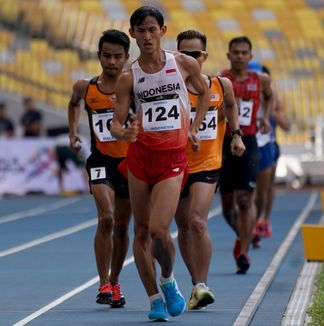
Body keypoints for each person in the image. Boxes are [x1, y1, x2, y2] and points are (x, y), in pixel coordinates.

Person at [110, 6, 210, 321]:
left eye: (153, 29)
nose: (148, 36)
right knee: (140, 230)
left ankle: (167, 278)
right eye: (141, 31)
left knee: (158, 230)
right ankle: (154, 298)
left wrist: (194, 128)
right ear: (133, 34)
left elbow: (205, 93)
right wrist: (123, 131)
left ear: (163, 31)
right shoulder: (128, 77)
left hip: (172, 159)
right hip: (140, 158)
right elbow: (115, 122)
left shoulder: (183, 63)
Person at [174, 30, 245, 310]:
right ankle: (194, 283)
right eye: (184, 54)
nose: (190, 59)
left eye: (195, 54)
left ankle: (203, 284)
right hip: (175, 165)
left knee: (197, 221)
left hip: (208, 163)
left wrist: (236, 135)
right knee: (182, 227)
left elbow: (231, 105)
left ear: (204, 56)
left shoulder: (220, 84)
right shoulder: (169, 87)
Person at [67, 29, 132, 308]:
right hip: (100, 159)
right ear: (99, 56)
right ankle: (103, 281)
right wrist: (72, 132)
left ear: (127, 58)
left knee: (121, 226)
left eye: (118, 57)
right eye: (107, 55)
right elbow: (73, 104)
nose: (112, 62)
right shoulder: (86, 87)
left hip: (130, 163)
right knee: (106, 218)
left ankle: (115, 281)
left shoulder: (134, 87)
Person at [219, 36, 273, 274]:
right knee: (228, 207)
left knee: (245, 200)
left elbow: (270, 97)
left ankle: (243, 251)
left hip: (249, 142)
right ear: (229, 55)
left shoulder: (261, 80)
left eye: (244, 53)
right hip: (225, 143)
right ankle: (244, 236)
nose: (240, 56)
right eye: (236, 52)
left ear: (250, 57)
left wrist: (264, 117)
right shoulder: (221, 80)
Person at [251, 63, 290, 247]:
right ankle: (252, 223)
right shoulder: (248, 96)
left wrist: (271, 110)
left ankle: (265, 220)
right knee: (252, 189)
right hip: (252, 145)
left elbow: (286, 126)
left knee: (266, 188)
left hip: (271, 145)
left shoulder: (276, 100)